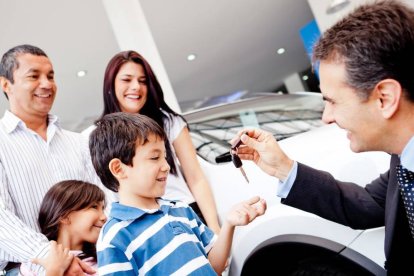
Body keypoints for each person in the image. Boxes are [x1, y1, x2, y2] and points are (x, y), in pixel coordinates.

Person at [231, 1, 414, 274]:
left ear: (384, 98)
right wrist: (283, 167)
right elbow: (368, 204)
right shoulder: (402, 161)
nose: (326, 117)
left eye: (333, 101)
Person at [89, 112, 266, 275]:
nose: (166, 166)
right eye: (154, 158)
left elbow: (214, 266)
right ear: (119, 169)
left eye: (165, 157)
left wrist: (229, 224)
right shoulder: (115, 238)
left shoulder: (181, 210)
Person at [81, 50, 221, 234]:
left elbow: (196, 178)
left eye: (142, 81)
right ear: (110, 85)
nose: (136, 87)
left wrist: (214, 228)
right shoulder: (96, 136)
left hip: (185, 213)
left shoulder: (169, 122)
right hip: (139, 226)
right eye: (126, 79)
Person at [0, 44, 108, 275]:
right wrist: (51, 258)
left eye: (50, 76)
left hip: (91, 262)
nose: (47, 84)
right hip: (26, 268)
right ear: (6, 84)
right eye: (34, 76)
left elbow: (102, 201)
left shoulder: (78, 142)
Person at [19, 180, 107, 276]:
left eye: (102, 209)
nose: (104, 217)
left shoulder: (103, 264)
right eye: (94, 207)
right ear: (64, 216)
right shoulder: (33, 264)